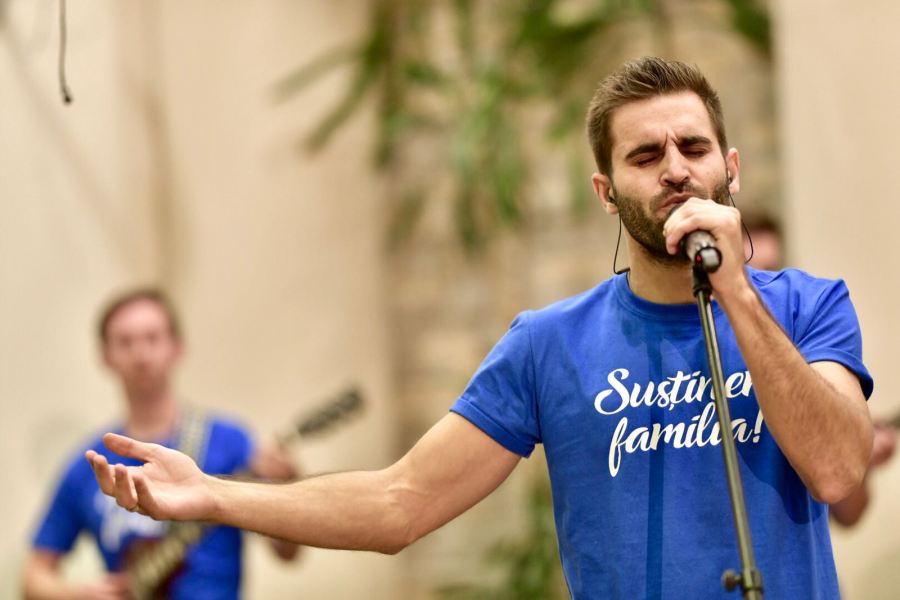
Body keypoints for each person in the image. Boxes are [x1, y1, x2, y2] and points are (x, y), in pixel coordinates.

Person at [86, 57, 875, 599]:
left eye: (693, 148)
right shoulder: (549, 344)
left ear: (729, 167)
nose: (675, 168)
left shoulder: (808, 307)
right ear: (605, 191)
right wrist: (214, 495)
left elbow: (840, 471)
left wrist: (735, 291)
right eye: (645, 156)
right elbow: (398, 503)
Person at [23, 288, 300, 600]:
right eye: (125, 342)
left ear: (176, 347)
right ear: (105, 357)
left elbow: (287, 553)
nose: (141, 354)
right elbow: (33, 577)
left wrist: (286, 486)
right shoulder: (90, 463)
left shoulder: (229, 441)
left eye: (152, 338)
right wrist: (76, 596)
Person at [741, 210, 897, 526]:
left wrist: (858, 458)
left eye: (771, 270)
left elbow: (848, 513)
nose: (759, 287)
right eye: (750, 272)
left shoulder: (810, 344)